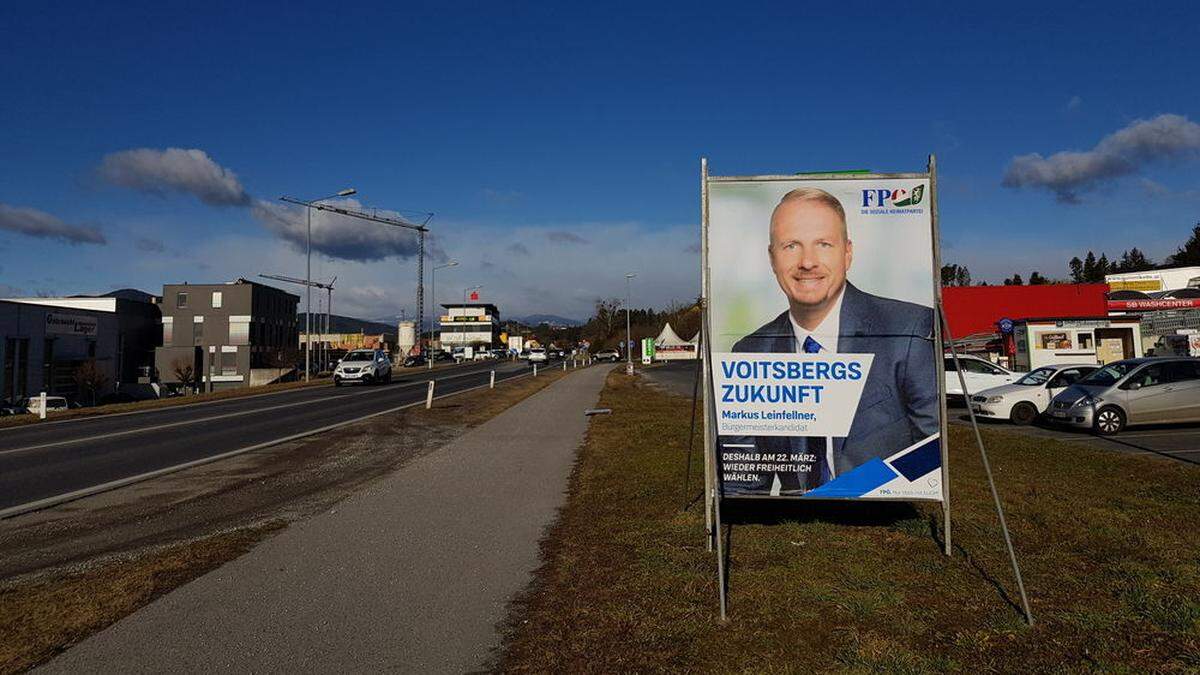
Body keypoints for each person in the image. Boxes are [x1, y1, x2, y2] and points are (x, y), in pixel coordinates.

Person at [720, 187, 938, 496]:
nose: (807, 262)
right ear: (772, 258)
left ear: (847, 253)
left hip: (883, 515)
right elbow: (743, 483)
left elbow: (934, 449)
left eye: (823, 244)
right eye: (791, 245)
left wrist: (847, 491)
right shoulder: (750, 352)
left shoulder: (909, 329)